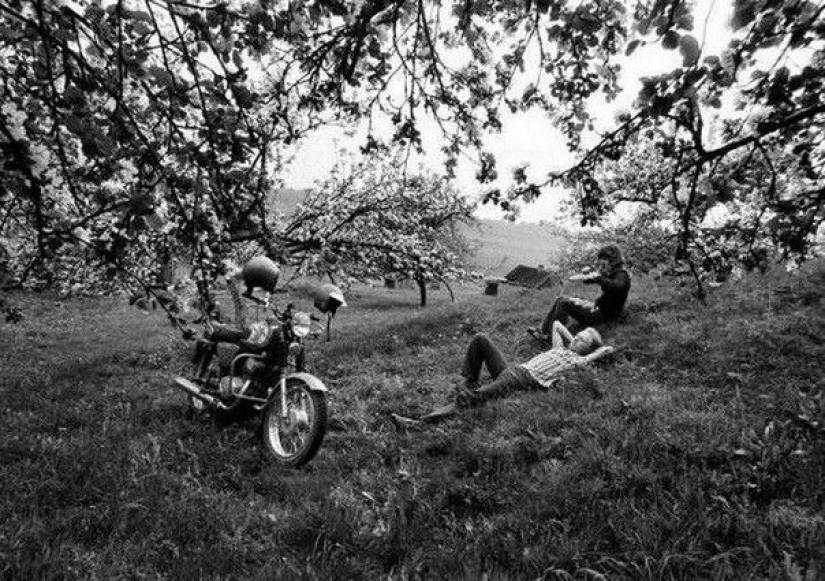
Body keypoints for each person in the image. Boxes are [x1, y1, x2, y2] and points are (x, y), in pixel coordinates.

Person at [392, 322, 614, 425]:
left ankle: (419, 424)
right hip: (514, 370)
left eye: (582, 340)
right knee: (481, 339)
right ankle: (470, 379)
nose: (576, 339)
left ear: (587, 349)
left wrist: (591, 350)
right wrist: (575, 337)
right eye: (577, 336)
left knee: (475, 397)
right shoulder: (559, 348)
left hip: (522, 378)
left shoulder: (577, 361)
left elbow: (604, 350)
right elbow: (556, 325)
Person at [533, 244, 630, 337]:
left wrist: (599, 277)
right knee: (560, 299)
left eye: (603, 263)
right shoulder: (611, 273)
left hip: (604, 315)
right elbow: (589, 280)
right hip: (599, 309)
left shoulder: (622, 275)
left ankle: (550, 336)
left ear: (611, 260)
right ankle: (544, 331)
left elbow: (617, 286)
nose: (602, 266)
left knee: (564, 303)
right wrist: (588, 274)